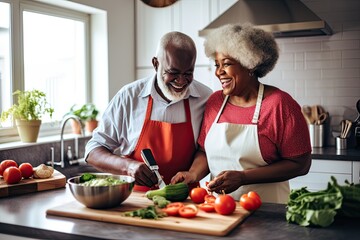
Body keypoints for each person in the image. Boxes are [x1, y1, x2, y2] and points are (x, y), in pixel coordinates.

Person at [171, 24, 312, 203]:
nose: (218, 72)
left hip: (267, 211)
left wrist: (243, 177)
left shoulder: (280, 104)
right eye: (217, 65)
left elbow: (301, 164)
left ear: (250, 64)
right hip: (220, 208)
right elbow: (204, 151)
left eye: (227, 64)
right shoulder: (216, 102)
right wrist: (192, 174)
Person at [85, 31, 212, 191]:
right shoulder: (129, 97)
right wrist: (128, 167)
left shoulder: (206, 98)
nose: (181, 81)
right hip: (135, 201)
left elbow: (208, 151)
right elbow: (93, 150)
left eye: (188, 73)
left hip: (188, 201)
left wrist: (193, 173)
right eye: (173, 72)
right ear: (156, 64)